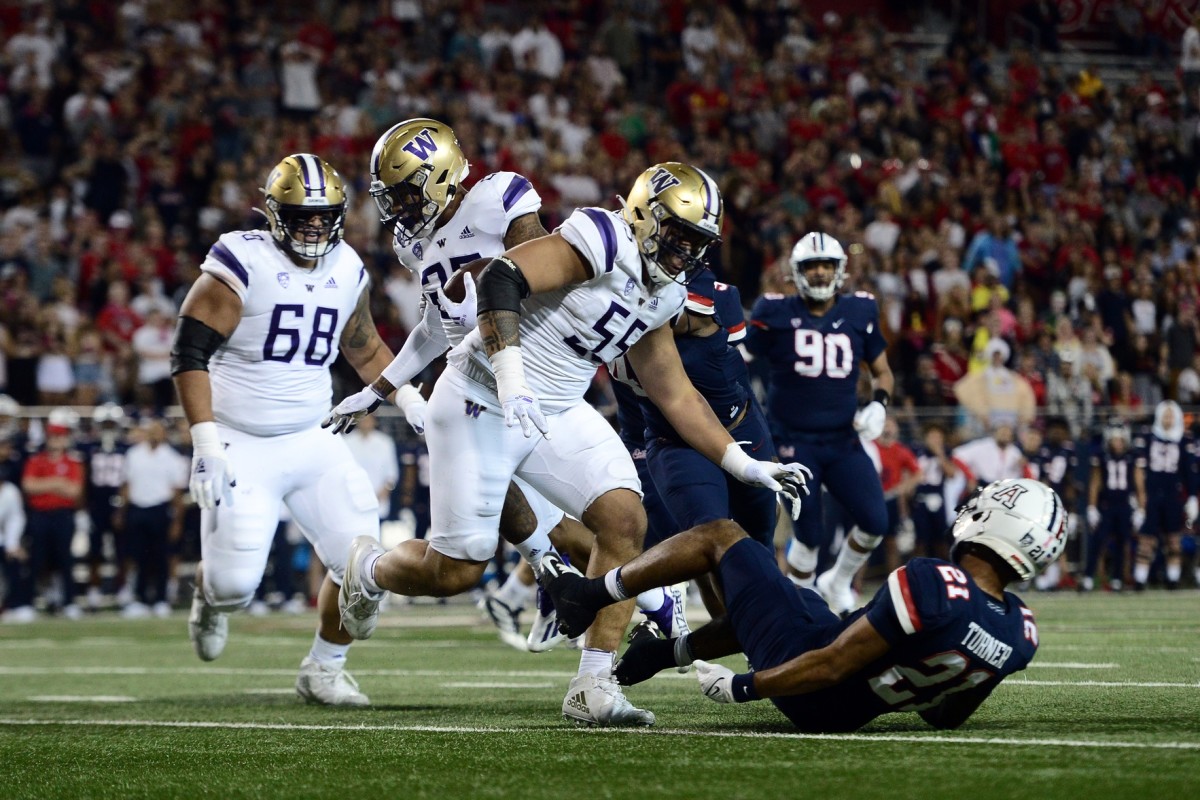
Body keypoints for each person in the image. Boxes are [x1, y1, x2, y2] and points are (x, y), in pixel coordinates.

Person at [334, 162, 809, 727]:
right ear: (642, 215)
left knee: (623, 518)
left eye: (696, 241)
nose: (684, 251)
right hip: (480, 396)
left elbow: (676, 395)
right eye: (677, 234)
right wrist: (510, 380)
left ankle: (593, 683)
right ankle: (368, 567)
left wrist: (745, 463)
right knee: (456, 571)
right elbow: (502, 279)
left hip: (555, 408)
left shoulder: (666, 292)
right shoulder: (603, 235)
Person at [324, 118, 592, 652]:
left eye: (405, 192)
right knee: (472, 559)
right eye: (390, 196)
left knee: (603, 521)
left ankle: (611, 626)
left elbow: (541, 276)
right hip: (475, 387)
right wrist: (381, 388)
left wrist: (486, 303)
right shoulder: (415, 245)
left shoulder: (500, 197)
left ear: (441, 175)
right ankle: (563, 584)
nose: (397, 208)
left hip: (533, 373)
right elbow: (432, 328)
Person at [542, 478, 1065, 733]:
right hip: (849, 707)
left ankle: (587, 593)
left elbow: (834, 661)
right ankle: (666, 651)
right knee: (799, 598)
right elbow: (946, 716)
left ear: (998, 522)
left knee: (720, 536)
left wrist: (744, 687)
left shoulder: (936, 583)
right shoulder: (1019, 630)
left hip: (811, 679)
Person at [172, 153, 398, 706]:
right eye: (302, 215)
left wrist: (408, 395)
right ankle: (207, 596)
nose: (315, 226)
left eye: (324, 216)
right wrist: (204, 443)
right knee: (232, 585)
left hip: (311, 436)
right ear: (274, 213)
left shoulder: (346, 265)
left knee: (365, 565)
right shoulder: (241, 261)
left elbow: (363, 344)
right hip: (240, 439)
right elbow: (189, 352)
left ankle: (324, 667)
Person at [613, 267, 780, 622]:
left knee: (760, 539)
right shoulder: (598, 305)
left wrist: (764, 443)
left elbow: (735, 375)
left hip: (738, 425)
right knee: (711, 538)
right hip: (673, 441)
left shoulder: (708, 295)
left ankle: (766, 628)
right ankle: (739, 636)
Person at [745, 231, 894, 614]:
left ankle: (838, 580)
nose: (821, 273)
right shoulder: (774, 312)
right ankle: (797, 609)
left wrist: (879, 403)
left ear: (840, 270)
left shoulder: (860, 311)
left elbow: (882, 371)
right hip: (793, 440)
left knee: (876, 521)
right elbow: (738, 361)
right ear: (797, 272)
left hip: (843, 439)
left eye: (827, 265)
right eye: (812, 266)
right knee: (809, 536)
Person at [116, 417, 188, 618]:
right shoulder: (134, 454)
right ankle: (139, 598)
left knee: (161, 558)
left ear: (164, 434)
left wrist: (177, 521)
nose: (155, 435)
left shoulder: (172, 457)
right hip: (137, 509)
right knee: (137, 556)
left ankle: (161, 599)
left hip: (160, 509)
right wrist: (121, 511)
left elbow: (177, 493)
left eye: (158, 431)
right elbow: (126, 485)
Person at [21, 407, 85, 619]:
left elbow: (74, 491)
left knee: (65, 560)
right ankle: (28, 603)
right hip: (40, 515)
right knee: (37, 560)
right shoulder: (36, 460)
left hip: (63, 515)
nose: (56, 439)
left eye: (60, 435)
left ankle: (69, 602)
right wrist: (57, 483)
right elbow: (29, 486)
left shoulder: (73, 461)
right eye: (53, 435)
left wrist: (46, 485)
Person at [1132, 401, 1196, 590]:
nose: (1168, 419)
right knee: (1146, 540)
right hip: (1151, 494)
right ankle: (1140, 580)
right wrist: (1140, 499)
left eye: (1170, 415)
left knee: (1173, 539)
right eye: (1165, 415)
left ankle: (1173, 579)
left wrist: (1192, 497)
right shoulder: (1147, 437)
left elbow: (1189, 472)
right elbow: (1138, 469)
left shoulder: (1184, 440)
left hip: (1172, 495)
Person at [1083, 418, 1136, 592]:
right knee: (1098, 542)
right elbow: (1095, 482)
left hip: (1124, 505)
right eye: (1114, 439)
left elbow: (1139, 483)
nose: (1118, 443)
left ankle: (1117, 578)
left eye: (1121, 439)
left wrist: (1140, 508)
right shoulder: (1101, 456)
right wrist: (1091, 507)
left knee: (1122, 543)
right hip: (1106, 505)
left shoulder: (1131, 456)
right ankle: (1089, 577)